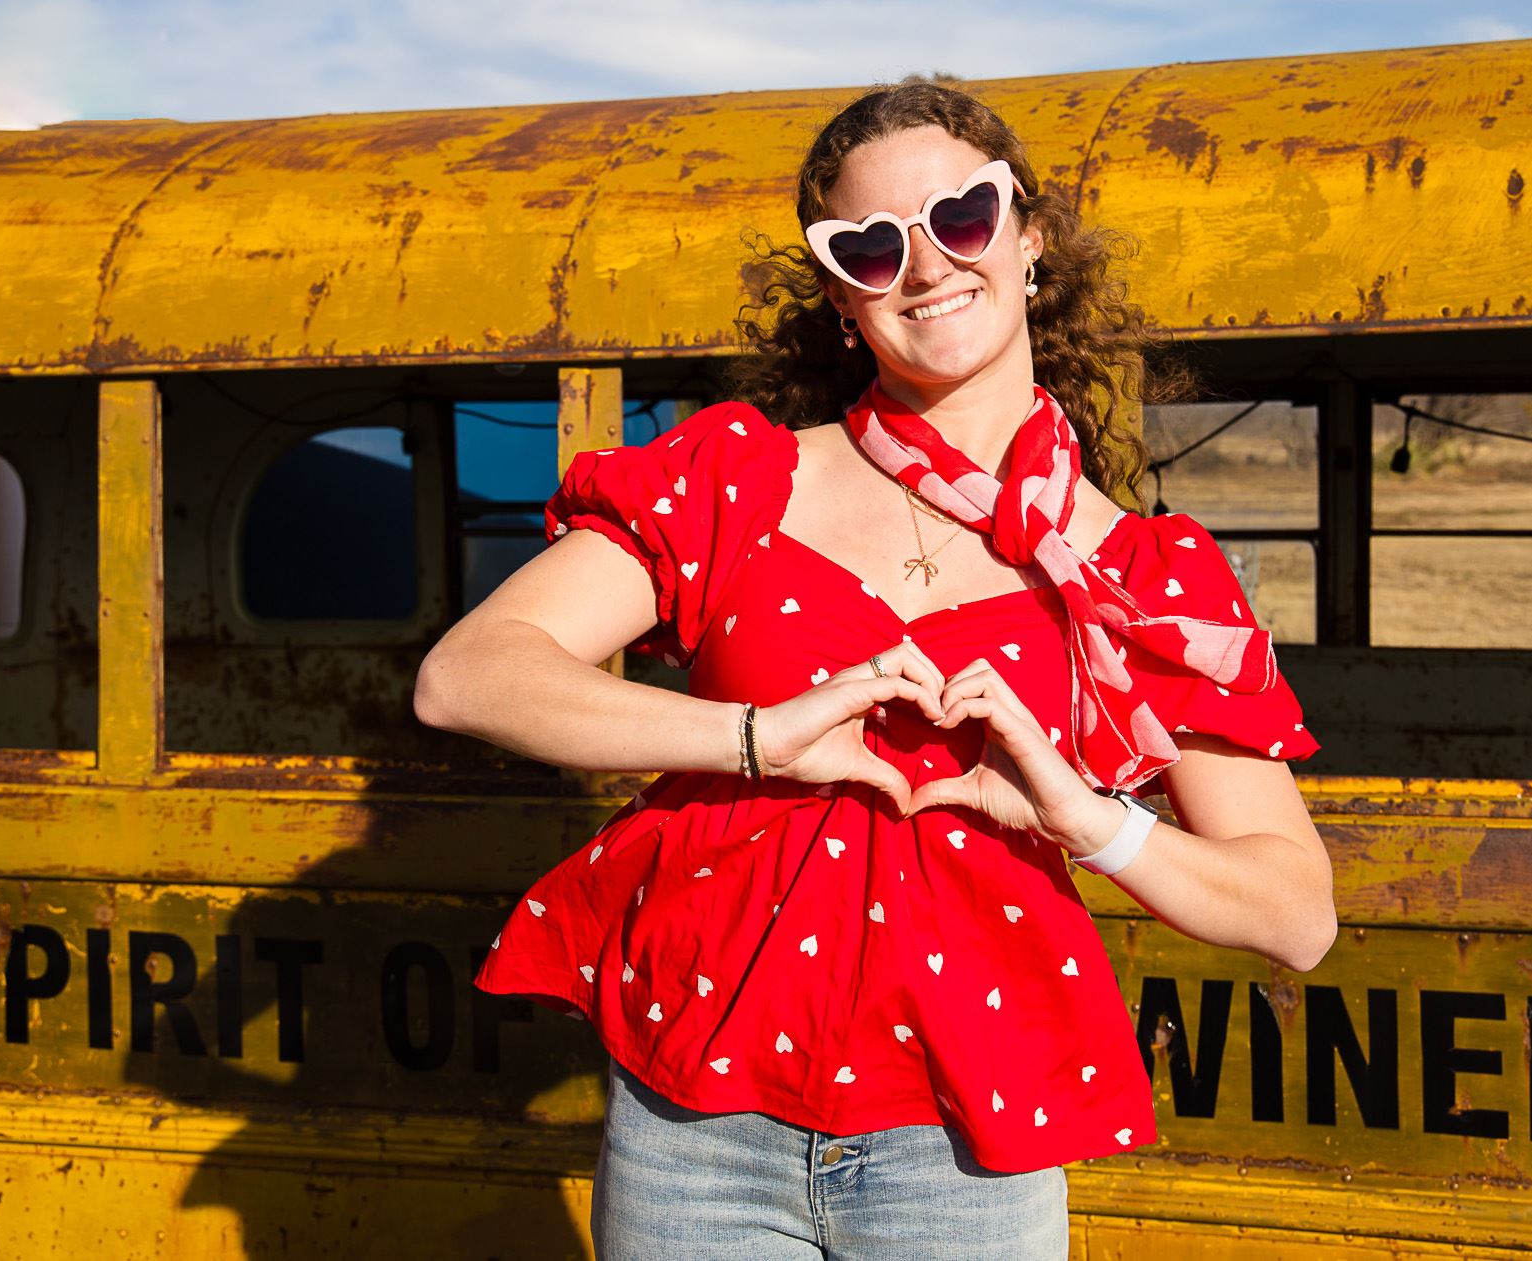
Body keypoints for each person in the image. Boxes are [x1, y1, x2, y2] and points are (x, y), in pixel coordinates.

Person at [414, 81, 1337, 1260]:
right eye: (867, 245)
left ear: (1026, 236)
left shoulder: (1139, 571)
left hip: (964, 1146)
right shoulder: (737, 481)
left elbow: (1295, 916)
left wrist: (1081, 814)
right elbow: (470, 674)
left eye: (960, 216)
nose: (923, 267)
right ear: (841, 298)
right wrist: (753, 737)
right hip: (697, 1124)